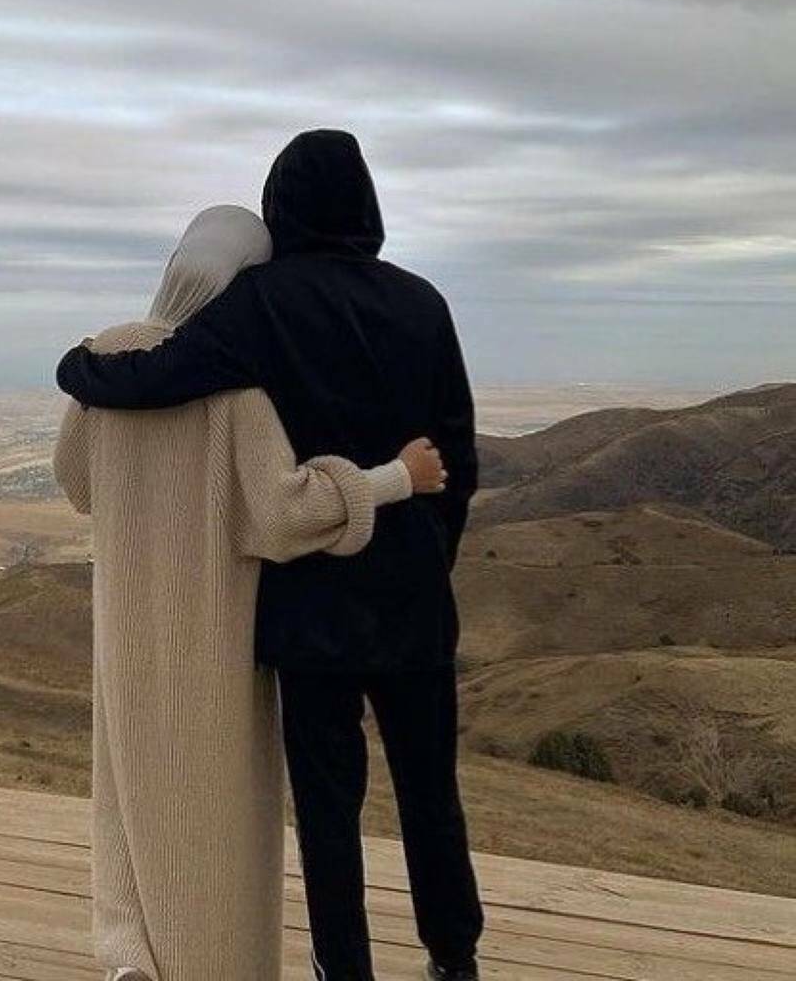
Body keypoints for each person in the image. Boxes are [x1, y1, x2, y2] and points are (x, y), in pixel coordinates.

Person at [57, 132, 484, 981]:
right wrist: (429, 557)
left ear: (280, 205)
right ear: (367, 203)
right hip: (410, 594)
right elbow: (457, 458)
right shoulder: (423, 303)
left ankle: (343, 968)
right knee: (431, 792)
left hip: (309, 600)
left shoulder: (262, 302)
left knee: (328, 809)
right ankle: (454, 956)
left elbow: (161, 374)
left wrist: (80, 369)